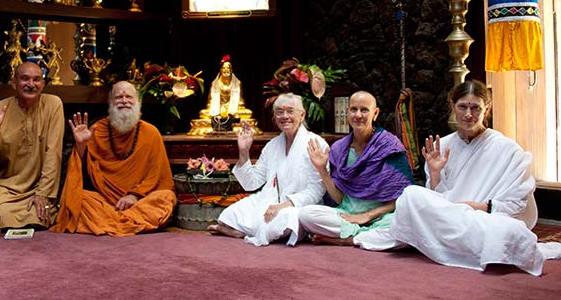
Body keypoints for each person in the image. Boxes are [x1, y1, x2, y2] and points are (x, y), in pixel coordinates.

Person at [389, 79, 546, 275]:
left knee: (509, 231)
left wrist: (473, 206)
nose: (469, 114)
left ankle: (441, 242)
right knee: (411, 194)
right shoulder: (443, 145)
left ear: (487, 109)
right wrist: (435, 172)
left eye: (475, 108)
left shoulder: (509, 149)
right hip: (450, 218)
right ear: (452, 106)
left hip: (482, 221)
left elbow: (516, 206)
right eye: (463, 107)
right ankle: (455, 242)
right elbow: (438, 200)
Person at [51, 80, 177, 236]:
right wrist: (81, 145)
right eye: (118, 97)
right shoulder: (97, 130)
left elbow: (157, 176)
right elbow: (83, 172)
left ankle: (110, 222)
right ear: (111, 102)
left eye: (129, 97)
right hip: (106, 201)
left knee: (165, 197)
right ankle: (130, 222)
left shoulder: (151, 133)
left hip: (139, 201)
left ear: (137, 101)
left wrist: (134, 195)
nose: (124, 101)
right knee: (79, 198)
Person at [207, 93, 328, 246]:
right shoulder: (272, 145)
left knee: (284, 219)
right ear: (274, 117)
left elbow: (317, 190)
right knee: (230, 214)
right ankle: (248, 229)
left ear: (302, 115)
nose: (285, 116)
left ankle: (247, 230)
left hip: (298, 206)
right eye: (279, 112)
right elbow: (252, 183)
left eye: (290, 111)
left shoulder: (316, 143)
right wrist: (244, 151)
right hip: (269, 202)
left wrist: (284, 205)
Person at [295, 91, 413, 247]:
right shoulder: (339, 149)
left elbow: (401, 198)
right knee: (306, 215)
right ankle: (367, 237)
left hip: (381, 216)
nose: (358, 115)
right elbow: (339, 199)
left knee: (409, 227)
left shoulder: (389, 146)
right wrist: (322, 169)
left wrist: (367, 216)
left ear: (375, 113)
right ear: (347, 112)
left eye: (364, 110)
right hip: (347, 215)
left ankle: (349, 239)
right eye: (353, 109)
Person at [0, 61, 64, 230]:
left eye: (36, 79)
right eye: (25, 79)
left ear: (43, 84)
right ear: (13, 83)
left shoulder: (53, 104)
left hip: (37, 189)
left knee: (41, 216)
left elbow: (53, 152)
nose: (31, 84)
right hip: (5, 190)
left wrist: (43, 193)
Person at [199, 56, 253, 120]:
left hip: (233, 108)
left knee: (248, 113)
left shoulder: (238, 83)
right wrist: (220, 107)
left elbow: (241, 102)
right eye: (223, 68)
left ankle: (229, 116)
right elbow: (210, 102)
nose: (226, 70)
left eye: (228, 68)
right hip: (218, 108)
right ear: (220, 70)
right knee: (203, 113)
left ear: (231, 70)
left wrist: (231, 106)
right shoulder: (214, 84)